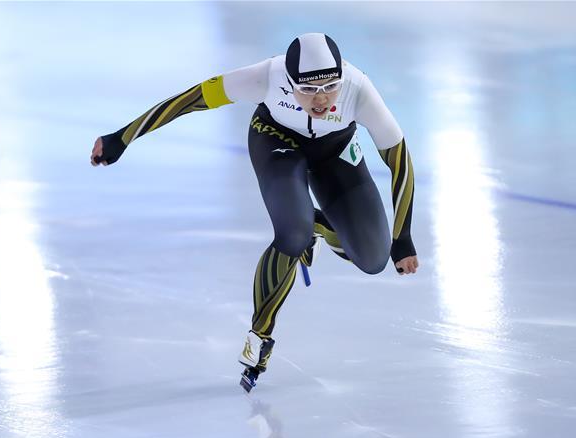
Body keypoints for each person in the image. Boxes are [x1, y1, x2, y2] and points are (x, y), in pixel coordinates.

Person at [91, 33, 418, 392]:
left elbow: (398, 157)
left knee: (374, 258)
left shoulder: (359, 88)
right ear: (289, 82)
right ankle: (260, 336)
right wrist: (123, 137)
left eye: (330, 87)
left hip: (335, 149)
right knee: (292, 234)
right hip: (276, 141)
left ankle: (315, 226)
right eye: (308, 90)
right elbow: (193, 99)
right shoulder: (266, 75)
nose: (321, 99)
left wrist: (402, 238)